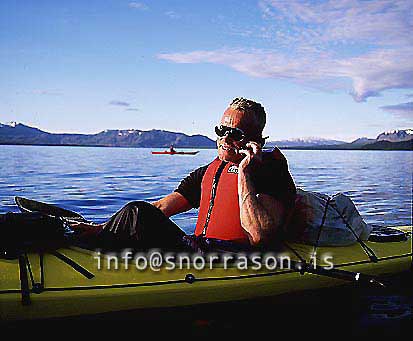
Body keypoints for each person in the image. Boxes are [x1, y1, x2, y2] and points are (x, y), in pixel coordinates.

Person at [71, 97, 296, 253]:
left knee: (136, 211)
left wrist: (245, 172)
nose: (225, 139)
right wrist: (102, 227)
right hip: (201, 249)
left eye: (235, 133)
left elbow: (260, 237)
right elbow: (159, 209)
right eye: (221, 130)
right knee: (137, 212)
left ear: (256, 139)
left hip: (234, 258)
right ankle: (82, 245)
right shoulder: (208, 171)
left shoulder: (270, 172)